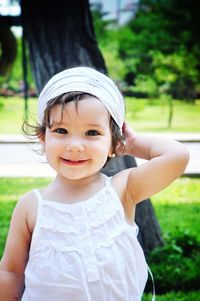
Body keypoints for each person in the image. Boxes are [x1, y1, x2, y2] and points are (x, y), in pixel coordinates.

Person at [0, 67, 189, 301]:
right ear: (43, 138)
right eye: (61, 130)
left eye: (92, 133)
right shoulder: (31, 206)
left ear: (113, 143)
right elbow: (11, 271)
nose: (75, 145)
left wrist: (133, 144)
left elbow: (177, 156)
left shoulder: (122, 189)